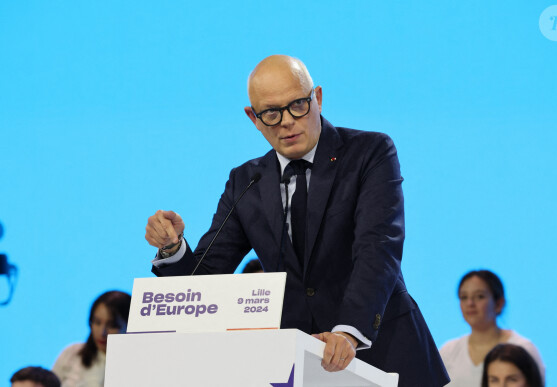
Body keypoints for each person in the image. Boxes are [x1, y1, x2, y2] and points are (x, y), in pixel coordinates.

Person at [145, 54, 449, 386]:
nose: (287, 121)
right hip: (301, 369)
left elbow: (377, 249)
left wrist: (347, 332)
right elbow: (206, 282)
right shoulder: (245, 181)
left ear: (317, 98)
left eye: (298, 106)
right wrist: (173, 248)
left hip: (385, 354)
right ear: (253, 118)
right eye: (272, 113)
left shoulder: (368, 152)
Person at [439, 270, 545, 386]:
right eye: (464, 297)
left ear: (499, 303)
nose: (470, 303)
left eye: (479, 296)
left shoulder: (523, 348)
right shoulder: (448, 352)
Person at [52, 290, 131, 387]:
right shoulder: (72, 354)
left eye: (112, 325)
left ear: (129, 326)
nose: (102, 332)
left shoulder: (136, 367)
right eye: (97, 322)